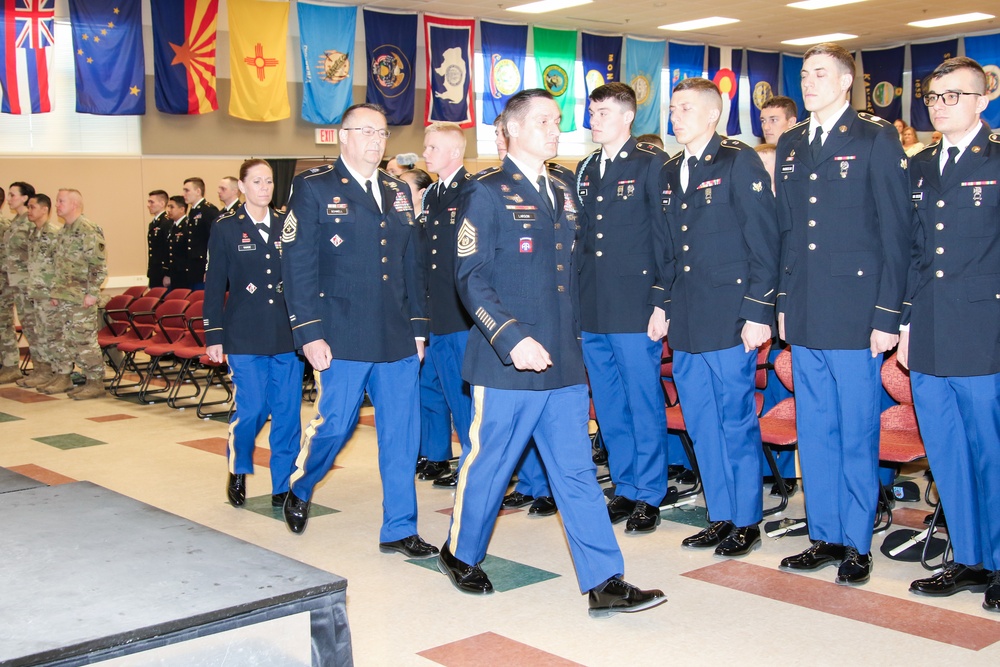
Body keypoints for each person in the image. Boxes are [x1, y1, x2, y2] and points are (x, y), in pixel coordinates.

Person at [439, 88, 665, 618]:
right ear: (511, 130)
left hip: (563, 357)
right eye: (543, 120)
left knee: (576, 471)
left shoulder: (565, 187)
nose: (554, 128)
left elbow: (574, 273)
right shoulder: (487, 192)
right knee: (490, 463)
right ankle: (460, 552)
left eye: (557, 120)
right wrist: (511, 337)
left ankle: (605, 581)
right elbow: (470, 279)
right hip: (508, 359)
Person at [774, 43, 911, 585]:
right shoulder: (790, 142)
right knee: (815, 430)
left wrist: (887, 313)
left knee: (855, 431)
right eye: (804, 73)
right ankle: (824, 534)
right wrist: (783, 304)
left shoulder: (875, 138)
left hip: (857, 311)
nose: (809, 82)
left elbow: (896, 233)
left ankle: (856, 541)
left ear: (845, 83)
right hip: (804, 307)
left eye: (820, 73)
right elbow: (788, 231)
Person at [280, 103, 437, 560]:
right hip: (340, 331)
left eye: (382, 133)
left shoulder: (398, 191)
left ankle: (399, 527)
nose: (375, 139)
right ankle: (302, 483)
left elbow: (412, 262)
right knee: (335, 426)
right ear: (341, 136)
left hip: (395, 333)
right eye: (365, 131)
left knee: (402, 434)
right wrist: (309, 332)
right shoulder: (313, 187)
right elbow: (299, 263)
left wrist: (419, 327)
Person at [898, 56, 1000, 613]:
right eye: (934, 98)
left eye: (952, 96)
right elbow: (914, 251)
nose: (940, 106)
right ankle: (969, 556)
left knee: (992, 451)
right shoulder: (921, 165)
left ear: (982, 100)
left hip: (985, 327)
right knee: (947, 450)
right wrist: (906, 321)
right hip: (930, 327)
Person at [664, 78, 780, 556]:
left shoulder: (738, 160)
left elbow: (763, 241)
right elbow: (670, 249)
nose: (676, 116)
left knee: (735, 419)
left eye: (685, 108)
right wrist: (662, 307)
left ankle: (747, 518)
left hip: (732, 316)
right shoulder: (672, 170)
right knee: (701, 420)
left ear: (713, 115)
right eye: (672, 109)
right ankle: (721, 514)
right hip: (688, 317)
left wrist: (758, 311)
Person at [575, 82, 671, 534]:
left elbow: (664, 238)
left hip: (635, 304)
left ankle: (651, 491)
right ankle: (627, 486)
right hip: (594, 303)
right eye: (592, 112)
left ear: (629, 117)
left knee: (642, 399)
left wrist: (660, 300)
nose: (595, 119)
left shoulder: (652, 164)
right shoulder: (587, 167)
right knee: (609, 404)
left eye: (605, 112)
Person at [205, 159, 303, 510]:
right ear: (242, 187)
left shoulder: (287, 224)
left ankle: (283, 483)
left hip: (285, 334)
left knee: (288, 412)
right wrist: (214, 334)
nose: (264, 187)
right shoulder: (226, 227)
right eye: (257, 181)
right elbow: (215, 282)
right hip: (243, 333)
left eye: (269, 182)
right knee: (254, 409)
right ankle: (238, 467)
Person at [416, 123, 475, 486]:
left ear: (454, 151)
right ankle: (437, 454)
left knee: (462, 395)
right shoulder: (432, 194)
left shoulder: (472, 191)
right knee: (433, 388)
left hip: (460, 313)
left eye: (432, 148)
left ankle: (473, 464)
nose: (425, 154)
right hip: (434, 310)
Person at [45, 189, 107, 400]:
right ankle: (82, 378)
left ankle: (95, 382)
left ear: (74, 204)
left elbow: (98, 266)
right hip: (65, 296)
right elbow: (59, 266)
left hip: (81, 297)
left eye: (61, 201)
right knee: (69, 339)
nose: (57, 204)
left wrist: (92, 293)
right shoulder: (64, 231)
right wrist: (55, 292)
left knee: (85, 340)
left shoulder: (88, 229)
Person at [22, 195, 61, 395]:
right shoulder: (34, 234)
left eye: (32, 207)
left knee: (53, 336)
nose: (29, 210)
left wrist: (55, 291)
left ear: (45, 209)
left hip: (49, 294)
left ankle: (59, 374)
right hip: (36, 293)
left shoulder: (53, 233)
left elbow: (59, 266)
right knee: (40, 335)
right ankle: (45, 371)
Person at [4, 182, 40, 386]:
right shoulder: (15, 222)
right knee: (28, 327)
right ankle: (37, 369)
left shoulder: (29, 222)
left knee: (35, 328)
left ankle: (44, 369)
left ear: (25, 198)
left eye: (12, 194)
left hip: (28, 284)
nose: (9, 198)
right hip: (14, 283)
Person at [0, 185, 22, 384]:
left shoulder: (4, 225)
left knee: (3, 326)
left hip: (3, 286)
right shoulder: (11, 224)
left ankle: (10, 366)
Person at [181, 177, 219, 290]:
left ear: (198, 191)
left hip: (203, 267)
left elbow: (214, 241)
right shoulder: (193, 211)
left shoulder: (208, 210)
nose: (183, 194)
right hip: (193, 269)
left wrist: (209, 269)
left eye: (187, 190)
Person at [164, 196, 194, 290]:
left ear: (182, 209)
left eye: (172, 207)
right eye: (168, 207)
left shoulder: (187, 226)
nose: (168, 210)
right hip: (174, 274)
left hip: (184, 274)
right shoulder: (172, 227)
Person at [146, 190, 171, 289]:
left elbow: (168, 249)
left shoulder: (166, 222)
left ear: (162, 203)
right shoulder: (153, 223)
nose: (148, 205)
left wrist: (167, 273)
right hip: (155, 271)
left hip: (162, 272)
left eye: (151, 202)